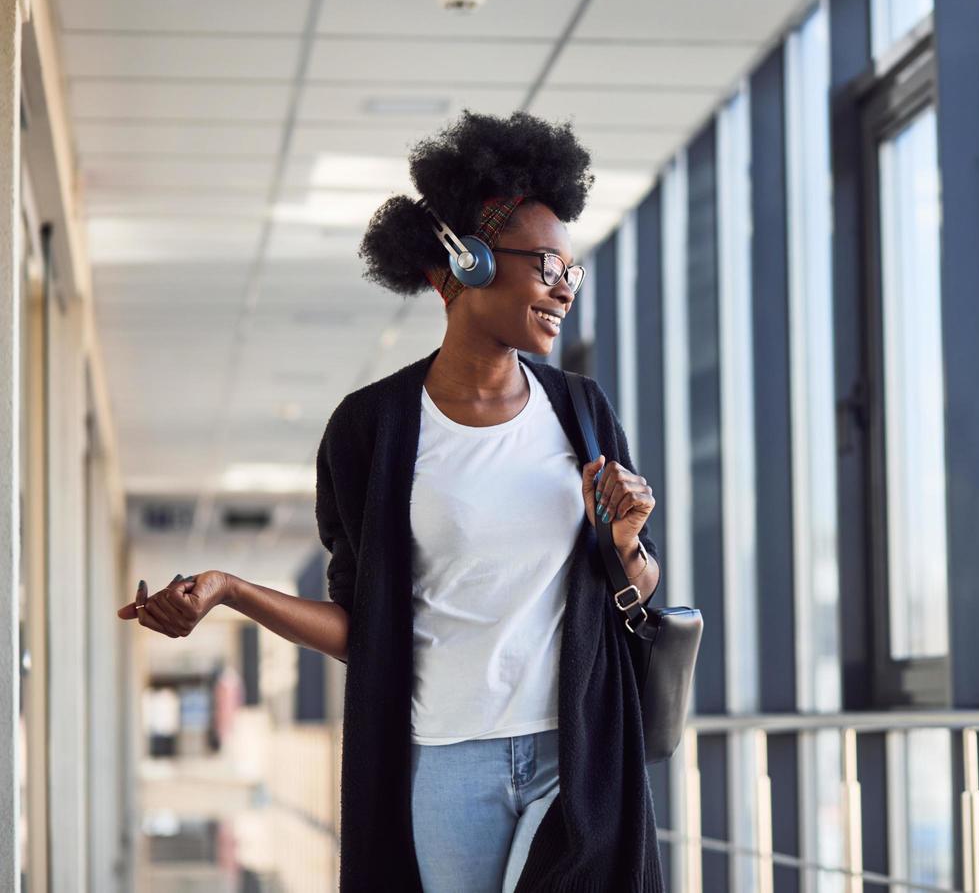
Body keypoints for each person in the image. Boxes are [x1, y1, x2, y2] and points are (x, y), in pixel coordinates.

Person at [118, 111, 666, 892]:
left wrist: (628, 545)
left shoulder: (581, 411)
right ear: (466, 264)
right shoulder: (368, 430)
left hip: (575, 748)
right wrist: (231, 590)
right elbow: (360, 632)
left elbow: (634, 593)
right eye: (548, 264)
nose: (563, 288)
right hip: (445, 758)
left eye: (572, 272)